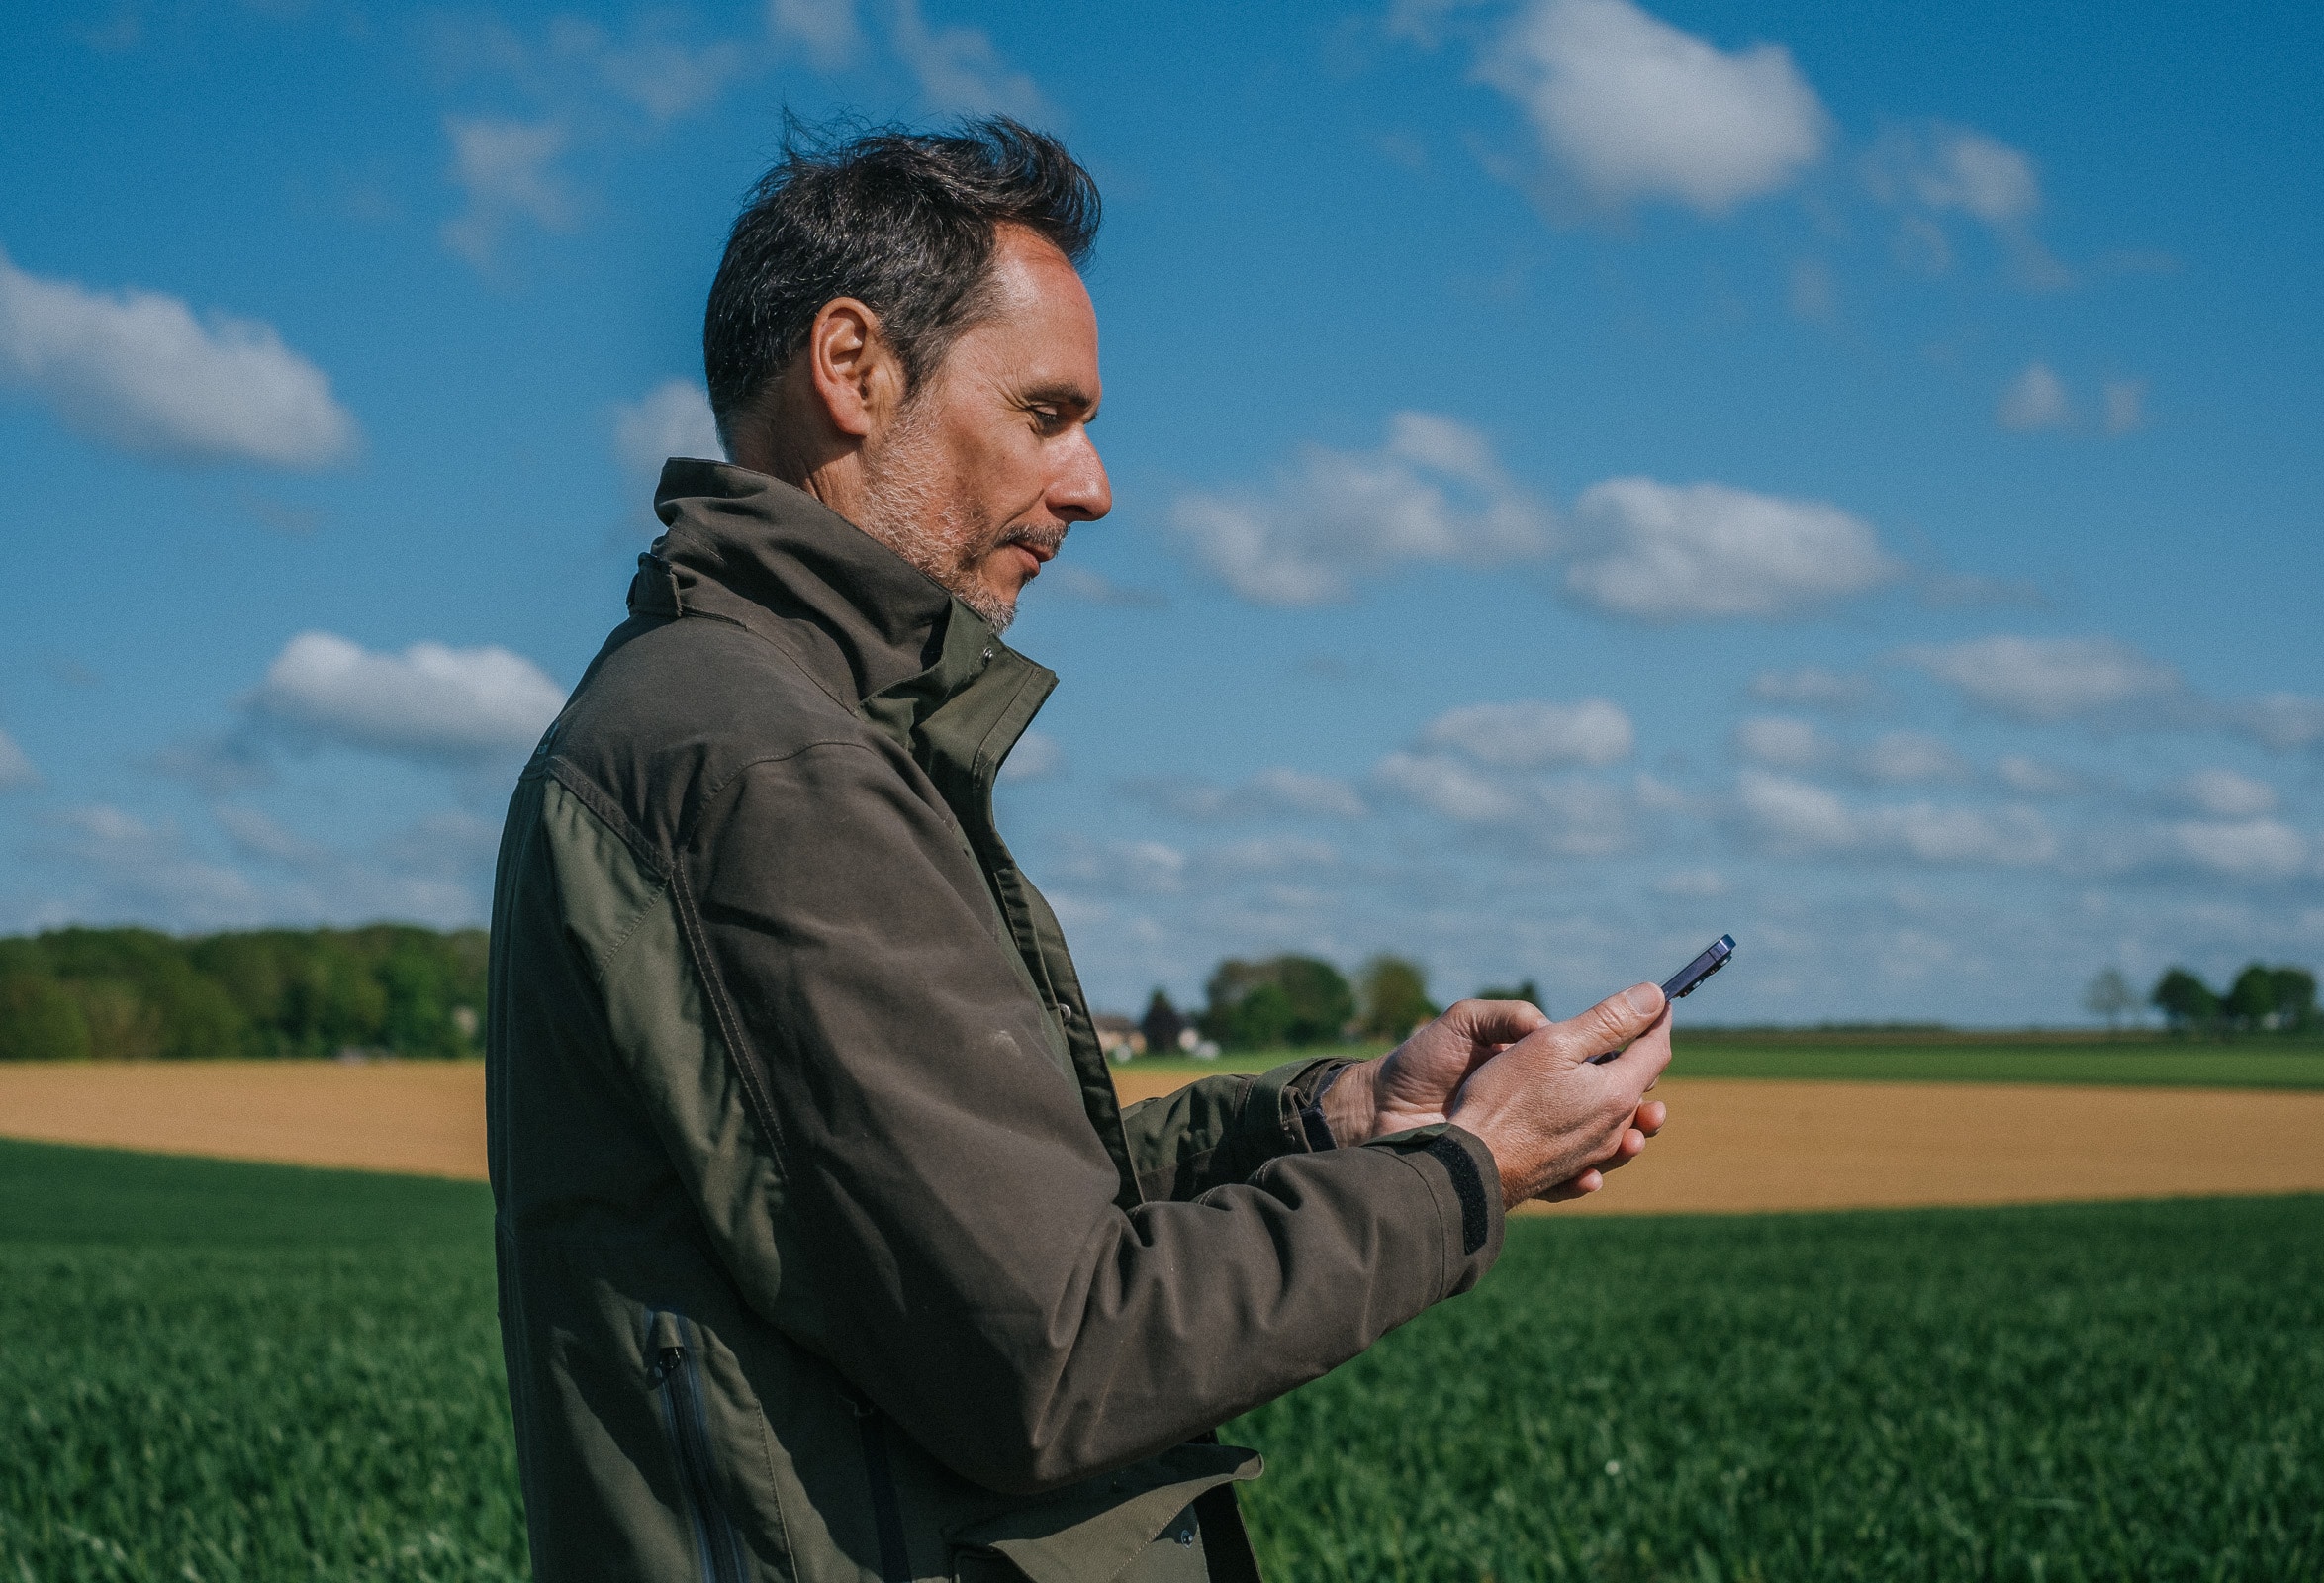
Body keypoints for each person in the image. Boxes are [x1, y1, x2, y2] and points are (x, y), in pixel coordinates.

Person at [486, 118, 1673, 1583]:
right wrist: (1463, 1173)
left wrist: (1340, 1117)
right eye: (1047, 414)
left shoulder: (776, 725)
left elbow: (975, 1214)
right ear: (851, 370)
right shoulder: (760, 761)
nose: (1094, 485)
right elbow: (1056, 1353)